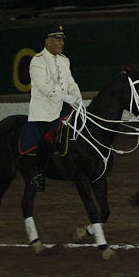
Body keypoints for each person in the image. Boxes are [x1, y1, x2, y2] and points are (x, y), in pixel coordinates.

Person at [25, 25, 82, 190]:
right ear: (48, 41)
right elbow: (44, 86)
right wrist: (65, 97)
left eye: (62, 39)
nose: (62, 42)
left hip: (64, 106)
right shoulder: (37, 61)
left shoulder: (65, 60)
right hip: (45, 110)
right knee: (48, 137)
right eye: (58, 39)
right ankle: (39, 174)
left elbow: (71, 82)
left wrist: (77, 98)